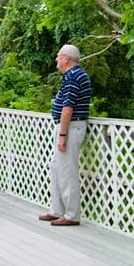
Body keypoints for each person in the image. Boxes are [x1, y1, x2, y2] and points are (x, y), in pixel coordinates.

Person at [39, 44, 91, 226]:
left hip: (70, 127)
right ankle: (57, 210)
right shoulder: (73, 75)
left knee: (67, 172)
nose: (56, 59)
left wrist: (62, 135)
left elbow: (68, 108)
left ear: (66, 58)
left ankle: (71, 215)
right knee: (56, 168)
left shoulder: (73, 76)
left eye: (59, 56)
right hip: (67, 127)